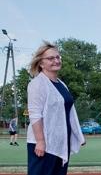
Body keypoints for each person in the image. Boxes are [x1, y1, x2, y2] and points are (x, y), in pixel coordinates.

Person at [27, 41, 85, 175]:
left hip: (60, 142)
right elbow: (35, 114)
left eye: (58, 57)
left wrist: (78, 134)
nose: (56, 60)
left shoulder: (62, 84)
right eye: (50, 58)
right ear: (41, 63)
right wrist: (40, 141)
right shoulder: (37, 84)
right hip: (43, 145)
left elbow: (70, 112)